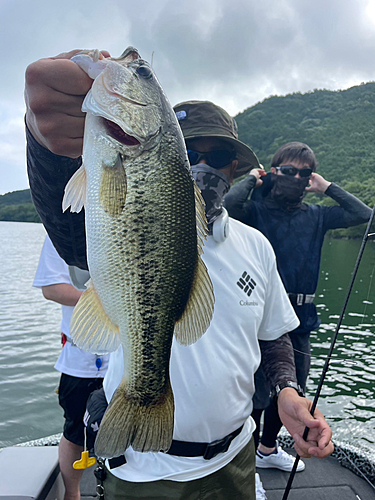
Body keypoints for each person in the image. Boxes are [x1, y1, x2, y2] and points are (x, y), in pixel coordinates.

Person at [25, 51, 334, 500]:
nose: (202, 164)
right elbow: (69, 226)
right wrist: (44, 143)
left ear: (235, 168)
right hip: (143, 472)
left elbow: (274, 335)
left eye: (219, 154)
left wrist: (287, 390)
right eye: (188, 151)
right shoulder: (111, 204)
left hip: (237, 461)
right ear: (169, 152)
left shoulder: (256, 244)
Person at [224, 141, 372, 474]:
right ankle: (243, 460)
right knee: (253, 393)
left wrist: (327, 187)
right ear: (273, 172)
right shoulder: (255, 211)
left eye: (304, 174)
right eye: (289, 171)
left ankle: (267, 448)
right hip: (255, 315)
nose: (297, 178)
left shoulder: (317, 216)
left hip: (301, 319)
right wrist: (252, 179)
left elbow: (365, 215)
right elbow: (227, 205)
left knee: (292, 390)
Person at [33, 235, 109, 500]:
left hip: (127, 357)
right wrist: (103, 303)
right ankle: (72, 494)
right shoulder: (62, 228)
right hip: (81, 358)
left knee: (131, 430)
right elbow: (51, 288)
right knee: (75, 431)